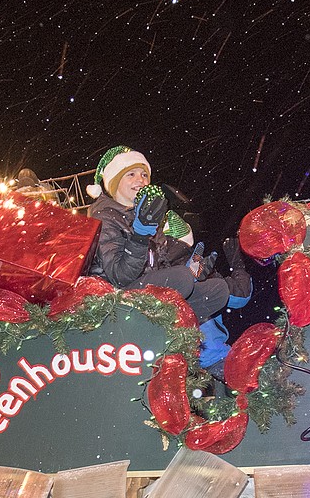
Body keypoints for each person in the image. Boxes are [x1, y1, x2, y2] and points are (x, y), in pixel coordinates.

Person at [85, 146, 251, 367]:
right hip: (120, 299)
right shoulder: (104, 217)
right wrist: (140, 234)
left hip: (152, 294)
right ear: (114, 182)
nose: (140, 179)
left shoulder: (149, 218)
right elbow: (120, 275)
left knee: (217, 290)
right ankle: (204, 353)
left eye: (144, 174)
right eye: (131, 174)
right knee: (181, 279)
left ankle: (197, 344)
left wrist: (197, 270)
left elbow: (163, 264)